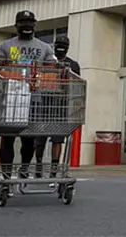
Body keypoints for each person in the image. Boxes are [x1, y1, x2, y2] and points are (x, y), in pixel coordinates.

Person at [0, 10, 57, 189]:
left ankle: (24, 168)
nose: (26, 25)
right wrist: (1, 64)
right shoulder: (5, 46)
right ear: (16, 25)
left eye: (30, 22)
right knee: (8, 138)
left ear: (35, 25)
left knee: (29, 140)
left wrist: (52, 68)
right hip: (11, 99)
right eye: (22, 22)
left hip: (34, 99)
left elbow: (53, 69)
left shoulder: (45, 48)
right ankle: (6, 177)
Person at [33, 36, 80, 179]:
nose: (61, 47)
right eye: (59, 45)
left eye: (64, 45)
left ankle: (54, 168)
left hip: (61, 107)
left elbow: (77, 84)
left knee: (57, 139)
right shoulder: (47, 62)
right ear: (54, 46)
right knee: (40, 139)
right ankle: (39, 165)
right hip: (44, 103)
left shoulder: (73, 65)